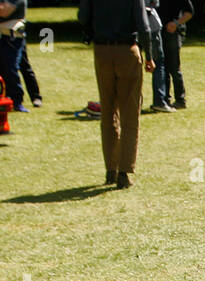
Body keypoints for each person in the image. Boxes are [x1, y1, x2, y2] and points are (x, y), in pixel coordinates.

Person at [79, 0, 154, 189]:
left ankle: (110, 169)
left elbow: (83, 16)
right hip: (127, 50)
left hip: (102, 50)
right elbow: (144, 27)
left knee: (108, 111)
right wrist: (149, 56)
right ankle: (124, 171)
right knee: (130, 114)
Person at [0, 1, 29, 113]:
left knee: (11, 68)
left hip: (13, 38)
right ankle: (4, 98)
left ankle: (17, 101)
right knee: (1, 68)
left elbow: (4, 12)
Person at [159, 0, 193, 109]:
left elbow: (189, 12)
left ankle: (180, 100)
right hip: (159, 31)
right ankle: (165, 99)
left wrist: (176, 23)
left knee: (174, 68)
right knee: (162, 68)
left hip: (173, 32)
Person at [145, 2, 174, 111]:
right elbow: (154, 3)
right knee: (158, 63)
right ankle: (159, 101)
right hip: (151, 25)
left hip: (131, 28)